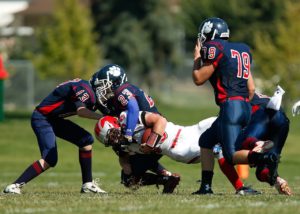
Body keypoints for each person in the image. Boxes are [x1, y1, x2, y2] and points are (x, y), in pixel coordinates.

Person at [192, 17, 278, 194]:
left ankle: (263, 157)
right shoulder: (241, 50)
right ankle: (205, 187)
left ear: (210, 33)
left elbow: (198, 78)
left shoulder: (214, 48)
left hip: (231, 107)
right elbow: (251, 88)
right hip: (244, 106)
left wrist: (196, 59)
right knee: (206, 141)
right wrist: (240, 105)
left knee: (231, 156)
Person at [95, 111, 260, 195]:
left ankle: (260, 145)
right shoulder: (122, 147)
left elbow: (160, 120)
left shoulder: (129, 119)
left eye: (112, 134)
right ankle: (254, 169)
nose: (114, 140)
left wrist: (150, 142)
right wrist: (127, 169)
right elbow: (126, 163)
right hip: (180, 149)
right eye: (109, 140)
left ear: (115, 123)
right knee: (219, 151)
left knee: (232, 123)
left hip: (190, 130)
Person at [3, 78, 106, 194]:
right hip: (42, 118)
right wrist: (102, 118)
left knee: (86, 140)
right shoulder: (84, 88)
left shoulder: (89, 90)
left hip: (54, 119)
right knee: (50, 159)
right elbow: (81, 111)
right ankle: (14, 186)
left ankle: (87, 184)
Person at [90, 64, 179, 193]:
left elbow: (133, 108)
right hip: (148, 130)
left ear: (116, 82)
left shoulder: (121, 90)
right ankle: (165, 176)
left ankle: (164, 178)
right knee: (130, 162)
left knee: (129, 175)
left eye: (104, 85)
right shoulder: (113, 100)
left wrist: (128, 134)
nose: (101, 90)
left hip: (151, 131)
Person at [238, 88, 292, 195]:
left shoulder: (236, 97)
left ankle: (258, 147)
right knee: (264, 170)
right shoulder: (250, 93)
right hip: (282, 120)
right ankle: (278, 181)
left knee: (243, 142)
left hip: (264, 116)